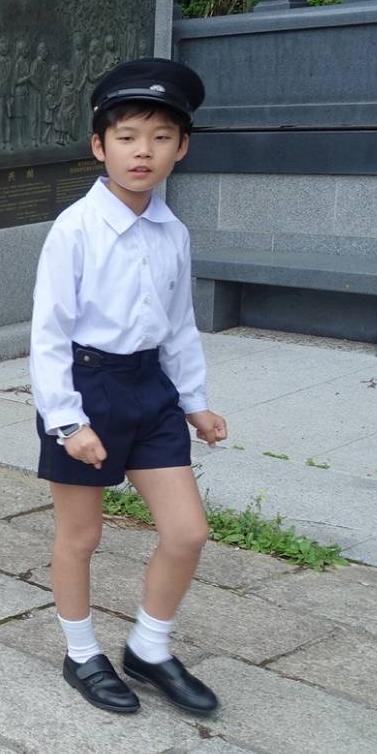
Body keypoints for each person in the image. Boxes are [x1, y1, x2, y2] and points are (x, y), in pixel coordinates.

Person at [30, 57, 227, 716]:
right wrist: (66, 420)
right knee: (81, 536)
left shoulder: (173, 231)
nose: (143, 151)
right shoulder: (74, 229)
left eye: (160, 137)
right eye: (127, 137)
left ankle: (148, 646)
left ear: (181, 148)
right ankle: (81, 652)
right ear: (99, 146)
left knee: (187, 531)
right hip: (86, 388)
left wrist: (195, 403)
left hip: (151, 389)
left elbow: (178, 324)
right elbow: (49, 333)